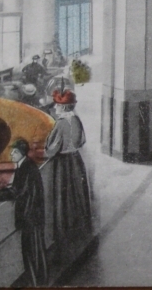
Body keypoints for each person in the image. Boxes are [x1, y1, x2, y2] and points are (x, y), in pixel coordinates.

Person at [0, 139, 48, 286]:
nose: (11, 154)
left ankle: (35, 283)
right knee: (37, 253)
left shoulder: (24, 168)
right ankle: (39, 282)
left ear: (19, 152)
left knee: (30, 254)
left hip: (30, 217)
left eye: (13, 152)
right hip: (35, 216)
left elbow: (17, 191)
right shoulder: (29, 165)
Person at [45, 89, 92, 245]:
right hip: (76, 160)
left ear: (63, 106)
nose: (55, 107)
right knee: (77, 193)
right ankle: (80, 227)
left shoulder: (60, 124)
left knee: (63, 198)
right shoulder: (76, 120)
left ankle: (65, 232)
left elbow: (51, 149)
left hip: (63, 164)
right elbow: (81, 141)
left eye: (57, 105)